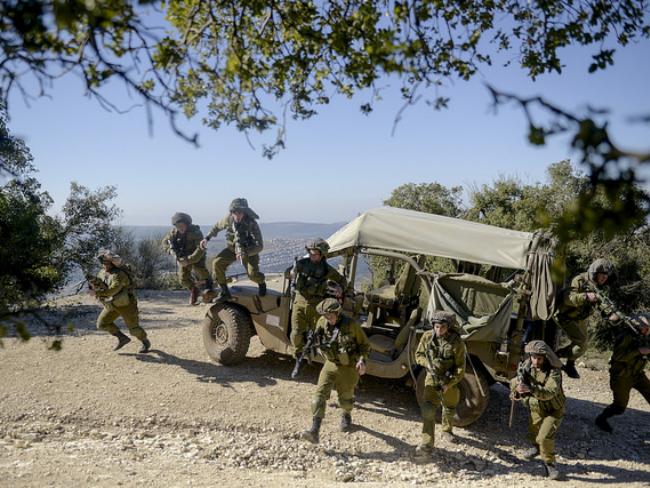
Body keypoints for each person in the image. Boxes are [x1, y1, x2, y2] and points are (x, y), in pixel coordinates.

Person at [300, 298, 370, 443]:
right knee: (319, 395)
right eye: (326, 316)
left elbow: (365, 345)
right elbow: (316, 336)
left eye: (330, 316)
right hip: (331, 364)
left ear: (337, 313)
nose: (328, 319)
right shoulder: (322, 322)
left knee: (345, 400)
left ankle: (346, 414)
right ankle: (314, 430)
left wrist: (362, 361)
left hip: (348, 367)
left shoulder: (351, 325)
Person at [554, 258, 619, 378]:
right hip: (566, 316)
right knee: (581, 345)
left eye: (606, 276)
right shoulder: (579, 280)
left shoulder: (598, 285)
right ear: (595, 273)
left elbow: (601, 302)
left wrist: (609, 314)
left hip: (581, 318)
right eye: (602, 275)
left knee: (582, 344)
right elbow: (568, 299)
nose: (605, 278)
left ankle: (570, 364)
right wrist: (585, 297)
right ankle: (555, 355)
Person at [414, 311, 466, 457]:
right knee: (428, 409)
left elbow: (461, 367)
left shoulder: (456, 342)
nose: (439, 330)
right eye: (436, 327)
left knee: (449, 405)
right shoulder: (427, 337)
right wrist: (427, 365)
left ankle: (447, 430)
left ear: (448, 327)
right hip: (432, 376)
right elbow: (419, 355)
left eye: (442, 327)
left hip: (449, 378)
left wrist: (450, 383)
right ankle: (427, 443)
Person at [511, 340, 565, 480]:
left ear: (546, 357)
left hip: (553, 409)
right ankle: (535, 448)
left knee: (544, 437)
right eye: (533, 357)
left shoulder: (554, 372)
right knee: (534, 431)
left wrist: (529, 389)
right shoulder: (526, 367)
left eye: (539, 358)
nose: (536, 361)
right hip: (536, 407)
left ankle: (549, 464)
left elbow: (549, 392)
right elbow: (514, 381)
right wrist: (516, 389)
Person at [290, 238, 347, 361]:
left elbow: (342, 281)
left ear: (322, 254)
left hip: (317, 304)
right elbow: (287, 274)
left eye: (315, 253)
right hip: (300, 301)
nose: (312, 256)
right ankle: (298, 354)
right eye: (310, 253)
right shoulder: (301, 264)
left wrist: (339, 289)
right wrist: (291, 273)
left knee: (319, 333)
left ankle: (322, 357)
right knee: (296, 332)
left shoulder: (327, 270)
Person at [200, 198, 266, 300]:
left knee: (253, 275)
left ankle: (261, 283)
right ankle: (224, 292)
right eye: (235, 212)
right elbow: (216, 227)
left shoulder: (251, 223)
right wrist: (207, 238)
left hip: (248, 252)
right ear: (232, 212)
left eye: (241, 212)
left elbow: (259, 245)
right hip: (232, 249)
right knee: (217, 263)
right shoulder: (228, 219)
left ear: (245, 213)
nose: (238, 215)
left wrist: (245, 252)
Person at [595, 313, 650, 433]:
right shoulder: (625, 336)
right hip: (622, 376)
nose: (648, 331)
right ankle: (601, 419)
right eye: (647, 328)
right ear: (639, 326)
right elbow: (619, 356)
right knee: (619, 407)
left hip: (637, 374)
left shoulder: (642, 336)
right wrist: (639, 351)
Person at [90, 249, 151, 353]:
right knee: (102, 324)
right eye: (103, 262)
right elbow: (101, 284)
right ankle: (122, 338)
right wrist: (94, 286)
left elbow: (112, 290)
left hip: (126, 304)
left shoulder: (118, 274)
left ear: (112, 263)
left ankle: (145, 342)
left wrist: (98, 293)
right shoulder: (102, 272)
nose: (105, 265)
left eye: (107, 262)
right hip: (112, 305)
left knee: (134, 329)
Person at [162, 212, 211, 305]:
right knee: (183, 279)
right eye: (177, 226)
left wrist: (188, 260)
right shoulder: (173, 233)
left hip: (197, 257)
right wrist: (171, 251)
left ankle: (209, 292)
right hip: (183, 257)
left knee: (202, 274)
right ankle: (194, 290)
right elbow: (164, 242)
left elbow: (200, 249)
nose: (180, 228)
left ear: (187, 224)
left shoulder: (196, 232)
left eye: (181, 225)